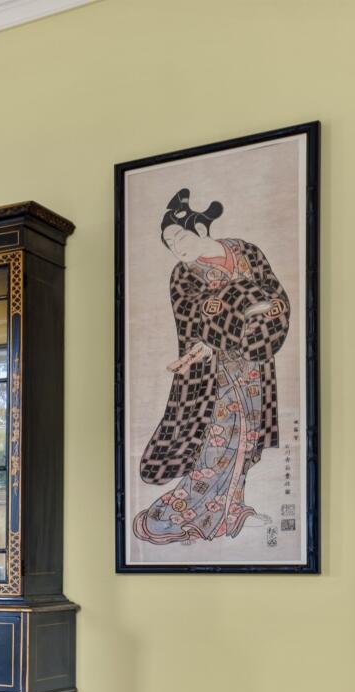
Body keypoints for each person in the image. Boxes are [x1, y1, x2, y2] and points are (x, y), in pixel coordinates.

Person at [133, 189, 290, 545]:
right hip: (213, 373)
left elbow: (276, 297)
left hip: (255, 365)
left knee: (247, 439)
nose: (176, 248)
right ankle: (176, 514)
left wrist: (251, 314)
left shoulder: (247, 252)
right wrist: (243, 305)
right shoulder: (183, 274)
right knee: (218, 440)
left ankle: (230, 512)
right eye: (169, 244)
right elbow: (192, 314)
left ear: (201, 229)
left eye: (179, 237)